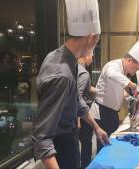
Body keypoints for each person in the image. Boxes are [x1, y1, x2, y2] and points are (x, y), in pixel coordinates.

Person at [31, 0, 109, 168]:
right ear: (90, 36)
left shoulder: (61, 57)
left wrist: (96, 127)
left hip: (70, 139)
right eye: (97, 38)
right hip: (62, 146)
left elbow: (76, 100)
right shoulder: (62, 75)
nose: (97, 43)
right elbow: (42, 138)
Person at [90, 36, 139, 151]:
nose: (135, 71)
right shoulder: (113, 65)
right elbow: (112, 75)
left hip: (112, 113)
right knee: (104, 147)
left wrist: (128, 97)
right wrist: (133, 86)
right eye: (136, 68)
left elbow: (117, 88)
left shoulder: (122, 71)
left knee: (112, 144)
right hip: (103, 112)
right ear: (130, 60)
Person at [77, 52, 96, 169]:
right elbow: (77, 96)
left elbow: (86, 87)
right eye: (92, 56)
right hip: (83, 112)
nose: (92, 59)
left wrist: (99, 90)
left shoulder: (78, 68)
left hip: (80, 111)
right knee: (86, 142)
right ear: (86, 55)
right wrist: (77, 118)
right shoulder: (83, 72)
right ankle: (86, 165)